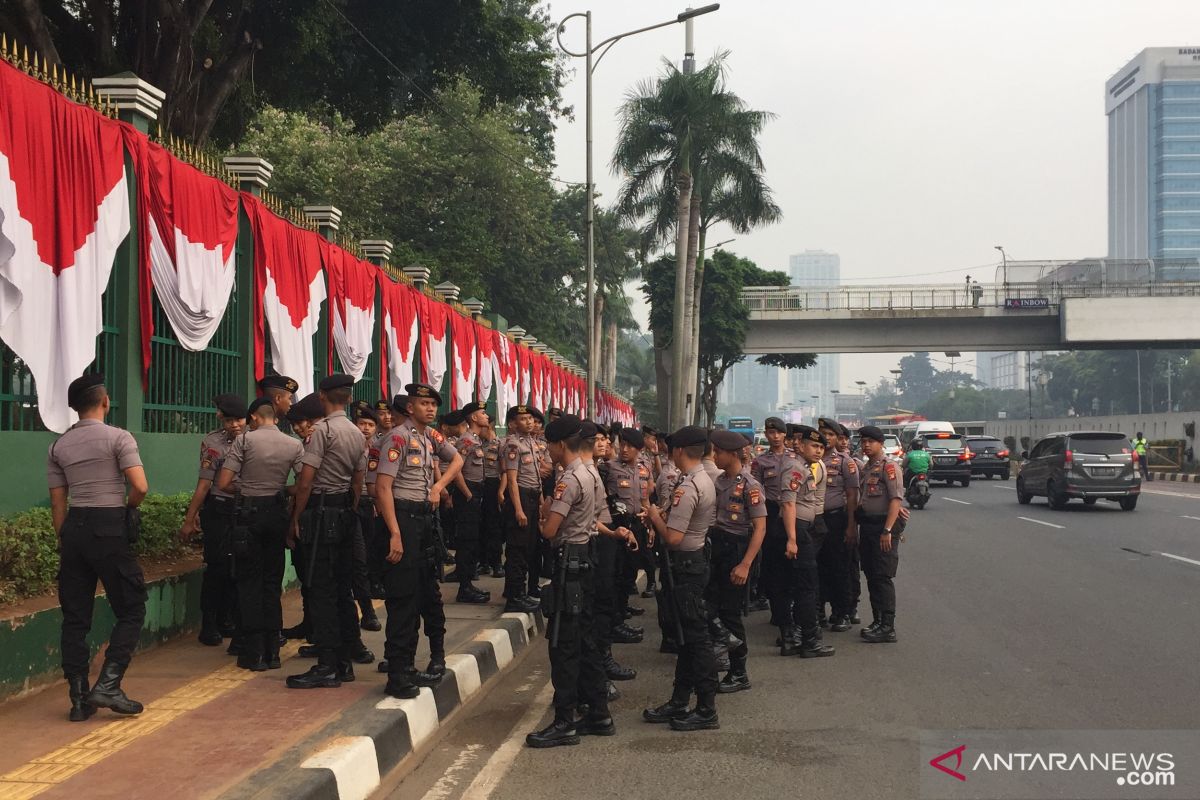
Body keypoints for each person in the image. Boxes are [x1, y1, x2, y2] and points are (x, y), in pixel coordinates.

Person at [49, 374, 148, 720]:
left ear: (75, 408)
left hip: (74, 529)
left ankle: (78, 699)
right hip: (109, 526)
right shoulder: (119, 437)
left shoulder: (58, 446)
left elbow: (58, 506)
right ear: (105, 401)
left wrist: (67, 541)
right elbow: (140, 486)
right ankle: (108, 684)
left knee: (75, 618)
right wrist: (128, 509)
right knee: (132, 607)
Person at [525, 414, 611, 747]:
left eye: (549, 444)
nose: (548, 451)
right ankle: (599, 713)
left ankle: (565, 720)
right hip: (586, 560)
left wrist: (544, 513)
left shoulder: (569, 478)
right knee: (587, 640)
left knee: (563, 644)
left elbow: (549, 531)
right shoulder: (591, 472)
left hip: (569, 564)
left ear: (560, 444)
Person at [373, 383, 464, 698]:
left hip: (424, 520)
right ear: (409, 407)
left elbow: (457, 461)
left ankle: (408, 668)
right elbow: (382, 488)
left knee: (421, 594)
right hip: (404, 519)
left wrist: (438, 486)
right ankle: (397, 674)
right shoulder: (396, 437)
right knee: (402, 599)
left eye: (433, 404)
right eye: (423, 403)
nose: (430, 408)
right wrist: (395, 533)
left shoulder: (429, 437)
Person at [286, 375, 369, 689]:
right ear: (348, 398)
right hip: (345, 511)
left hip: (321, 514)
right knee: (341, 589)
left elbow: (306, 481)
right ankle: (345, 661)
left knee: (321, 589)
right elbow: (359, 481)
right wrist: (351, 508)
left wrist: (296, 517)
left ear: (322, 396)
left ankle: (327, 664)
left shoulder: (323, 431)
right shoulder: (356, 433)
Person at [216, 397, 304, 670]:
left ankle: (253, 653)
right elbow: (304, 484)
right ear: (274, 418)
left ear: (254, 418)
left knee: (249, 582)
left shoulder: (244, 442)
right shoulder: (294, 444)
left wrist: (247, 490)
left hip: (248, 516)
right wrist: (281, 491)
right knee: (271, 582)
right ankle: (273, 651)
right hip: (277, 515)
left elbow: (224, 482)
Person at [643, 426, 720, 732]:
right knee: (687, 638)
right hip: (694, 562)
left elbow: (673, 537)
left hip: (687, 565)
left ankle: (706, 708)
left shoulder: (688, 487)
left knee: (696, 640)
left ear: (678, 451)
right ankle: (679, 699)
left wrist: (653, 517)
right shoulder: (702, 479)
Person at [179, 394, 247, 648]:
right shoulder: (213, 443)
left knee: (237, 568)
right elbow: (205, 484)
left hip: (244, 511)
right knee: (217, 567)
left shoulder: (254, 440)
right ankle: (209, 624)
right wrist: (190, 518)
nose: (234, 425)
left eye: (239, 419)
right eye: (229, 420)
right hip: (219, 511)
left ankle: (227, 619)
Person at [707, 430, 767, 693]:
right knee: (711, 606)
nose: (714, 457)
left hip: (738, 549)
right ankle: (722, 651)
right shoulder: (720, 480)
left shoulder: (750, 485)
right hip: (718, 546)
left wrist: (745, 564)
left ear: (732, 454)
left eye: (718, 452)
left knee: (730, 614)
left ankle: (739, 671)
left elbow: (760, 527)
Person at [751, 417, 799, 640]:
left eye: (779, 432)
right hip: (770, 512)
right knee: (771, 562)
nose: (775, 436)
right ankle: (777, 609)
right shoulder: (761, 461)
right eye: (771, 432)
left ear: (784, 435)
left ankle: (789, 609)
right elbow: (756, 488)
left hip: (791, 511)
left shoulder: (795, 458)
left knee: (792, 566)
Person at [856, 425, 904, 643]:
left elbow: (895, 500)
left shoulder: (889, 467)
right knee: (872, 575)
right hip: (868, 526)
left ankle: (887, 626)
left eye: (870, 441)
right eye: (863, 441)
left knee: (882, 576)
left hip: (883, 526)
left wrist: (887, 530)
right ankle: (877, 620)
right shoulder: (867, 468)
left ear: (881, 443)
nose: (866, 445)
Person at [818, 419, 859, 633]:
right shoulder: (810, 460)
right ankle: (818, 613)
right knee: (816, 568)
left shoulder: (845, 461)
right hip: (814, 521)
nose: (826, 438)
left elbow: (853, 494)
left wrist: (851, 525)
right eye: (822, 433)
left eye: (830, 434)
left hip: (836, 519)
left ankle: (841, 612)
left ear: (836, 438)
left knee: (839, 568)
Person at [448, 401, 491, 603]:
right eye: (482, 413)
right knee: (466, 541)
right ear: (473, 418)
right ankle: (464, 588)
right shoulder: (466, 441)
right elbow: (456, 470)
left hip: (476, 492)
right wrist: (468, 495)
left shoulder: (476, 439)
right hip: (468, 494)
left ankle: (468, 584)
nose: (486, 416)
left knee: (473, 540)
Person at [501, 405, 543, 613]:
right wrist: (518, 509)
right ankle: (515, 596)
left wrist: (542, 501)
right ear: (512, 423)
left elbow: (536, 476)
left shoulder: (531, 442)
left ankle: (519, 592)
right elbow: (512, 480)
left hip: (533, 497)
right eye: (523, 419)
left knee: (528, 547)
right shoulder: (513, 445)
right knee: (517, 548)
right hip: (522, 498)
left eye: (530, 419)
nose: (529, 422)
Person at [351, 402, 383, 631]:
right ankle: (368, 612)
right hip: (352, 505)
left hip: (370, 505)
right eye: (362, 423)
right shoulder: (350, 446)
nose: (365, 428)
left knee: (371, 554)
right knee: (358, 560)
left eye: (370, 424)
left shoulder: (380, 448)